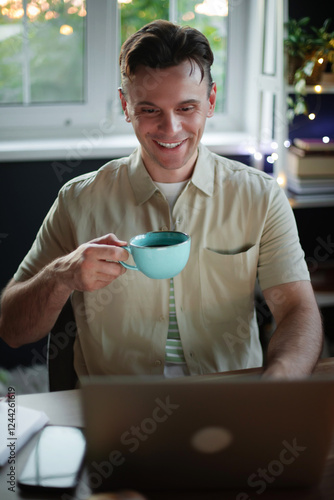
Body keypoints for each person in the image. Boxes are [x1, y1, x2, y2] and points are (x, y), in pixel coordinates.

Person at [0, 20, 323, 380]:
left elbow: (298, 310)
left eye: (186, 108)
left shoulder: (260, 196)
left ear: (211, 101)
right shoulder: (78, 199)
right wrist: (61, 275)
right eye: (150, 110)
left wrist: (280, 380)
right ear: (126, 106)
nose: (170, 129)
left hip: (231, 400)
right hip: (115, 408)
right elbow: (12, 329)